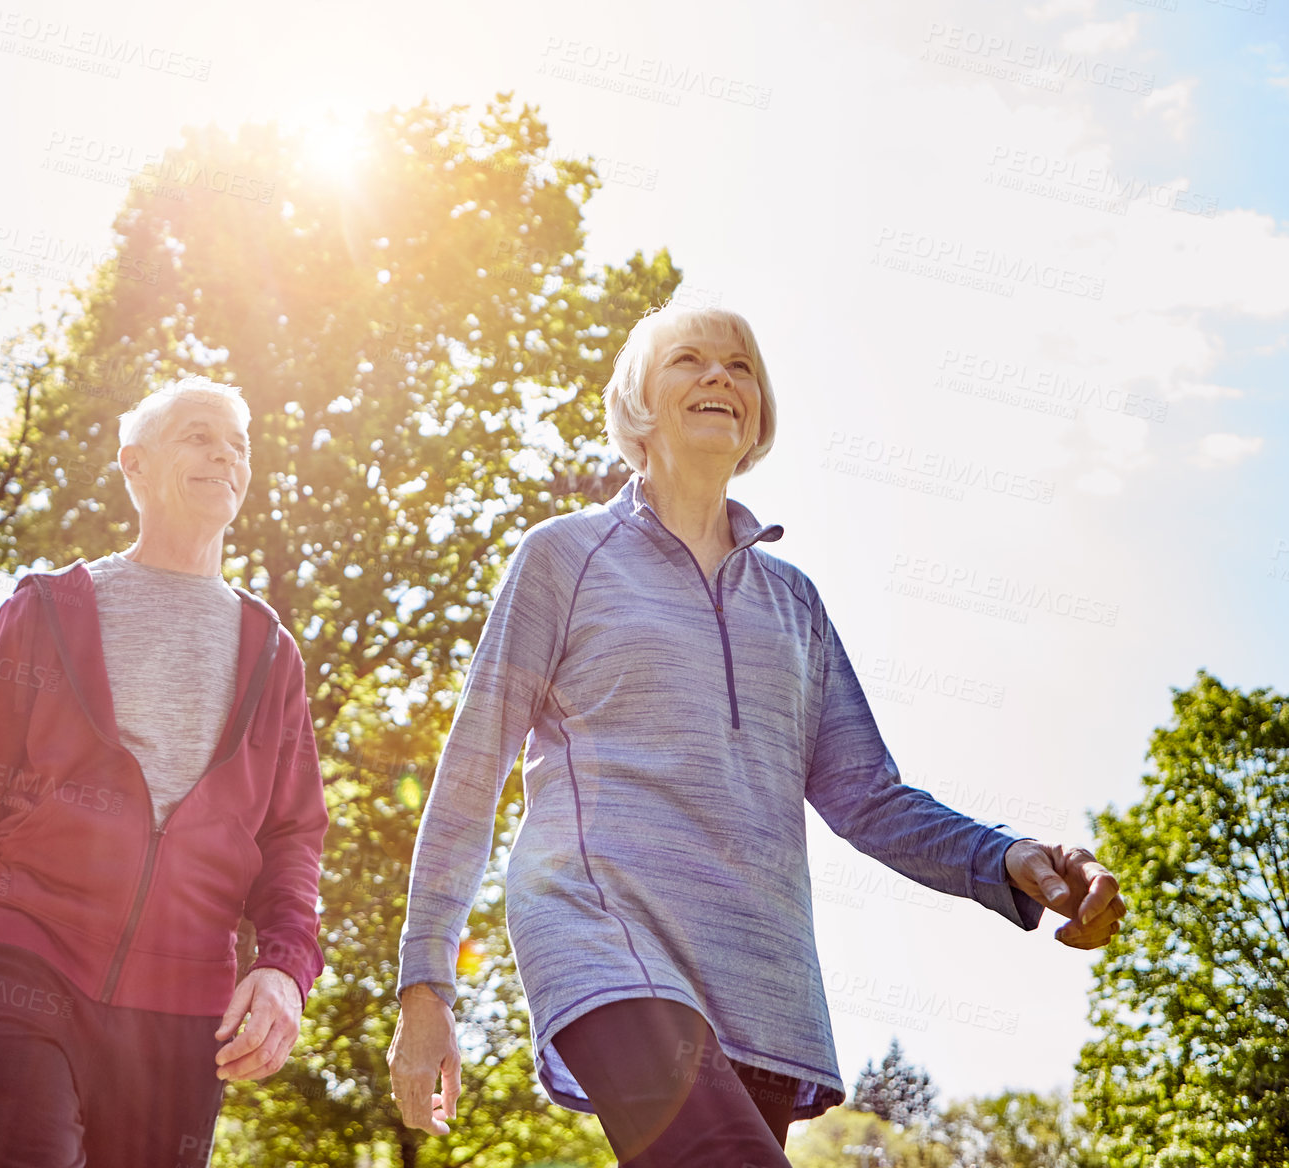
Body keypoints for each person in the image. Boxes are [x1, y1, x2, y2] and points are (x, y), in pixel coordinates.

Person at [387, 305, 1127, 1167]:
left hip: (762, 984)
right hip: (602, 938)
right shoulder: (564, 558)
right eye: (689, 361)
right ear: (638, 404)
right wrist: (425, 982)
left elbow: (869, 796)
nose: (718, 377)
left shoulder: (794, 603)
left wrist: (1007, 858)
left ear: (758, 412)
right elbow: (473, 768)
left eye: (739, 367)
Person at [0, 377, 328, 1168]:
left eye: (237, 444)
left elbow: (292, 838)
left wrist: (285, 970)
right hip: (25, 964)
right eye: (197, 435)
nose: (224, 452)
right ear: (136, 467)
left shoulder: (271, 651)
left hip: (184, 1014)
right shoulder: (48, 611)